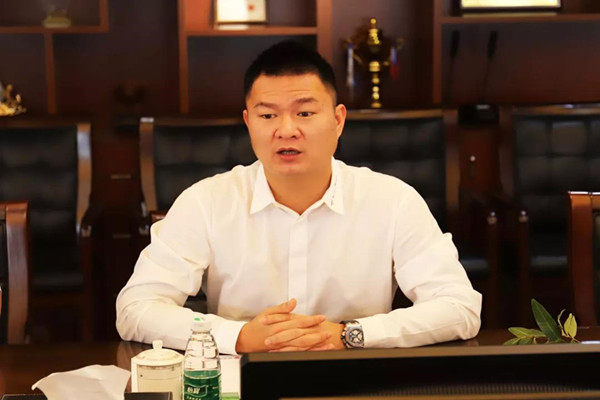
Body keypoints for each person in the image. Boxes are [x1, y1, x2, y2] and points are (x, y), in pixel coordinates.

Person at [116, 40, 481, 355]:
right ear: (248, 122)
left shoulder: (393, 200)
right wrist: (238, 336)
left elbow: (459, 307)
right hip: (243, 380)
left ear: (338, 120)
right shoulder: (206, 202)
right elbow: (136, 308)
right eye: (267, 115)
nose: (286, 130)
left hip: (355, 378)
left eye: (304, 113)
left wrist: (349, 335)